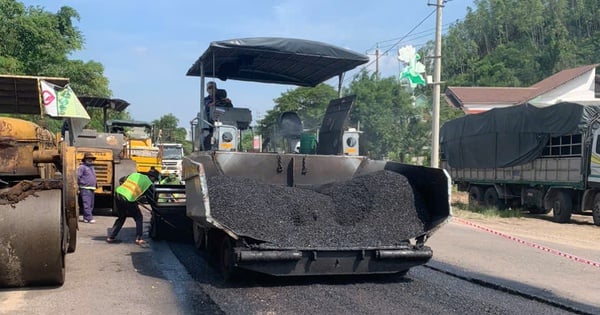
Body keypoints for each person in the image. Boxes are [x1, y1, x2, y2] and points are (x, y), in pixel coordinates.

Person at [106, 169, 160, 246]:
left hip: (118, 194)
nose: (154, 181)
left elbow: (121, 180)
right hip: (128, 198)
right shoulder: (148, 183)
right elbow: (151, 199)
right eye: (155, 179)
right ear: (153, 177)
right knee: (139, 217)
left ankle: (111, 237)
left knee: (121, 217)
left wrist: (128, 192)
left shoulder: (135, 175)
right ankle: (139, 239)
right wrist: (154, 210)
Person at [77, 152, 97, 223]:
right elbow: (77, 176)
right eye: (88, 159)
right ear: (85, 159)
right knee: (87, 204)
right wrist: (78, 185)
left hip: (92, 188)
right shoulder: (82, 167)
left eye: (91, 159)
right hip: (85, 188)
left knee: (91, 204)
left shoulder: (91, 167)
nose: (90, 160)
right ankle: (89, 218)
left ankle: (86, 217)